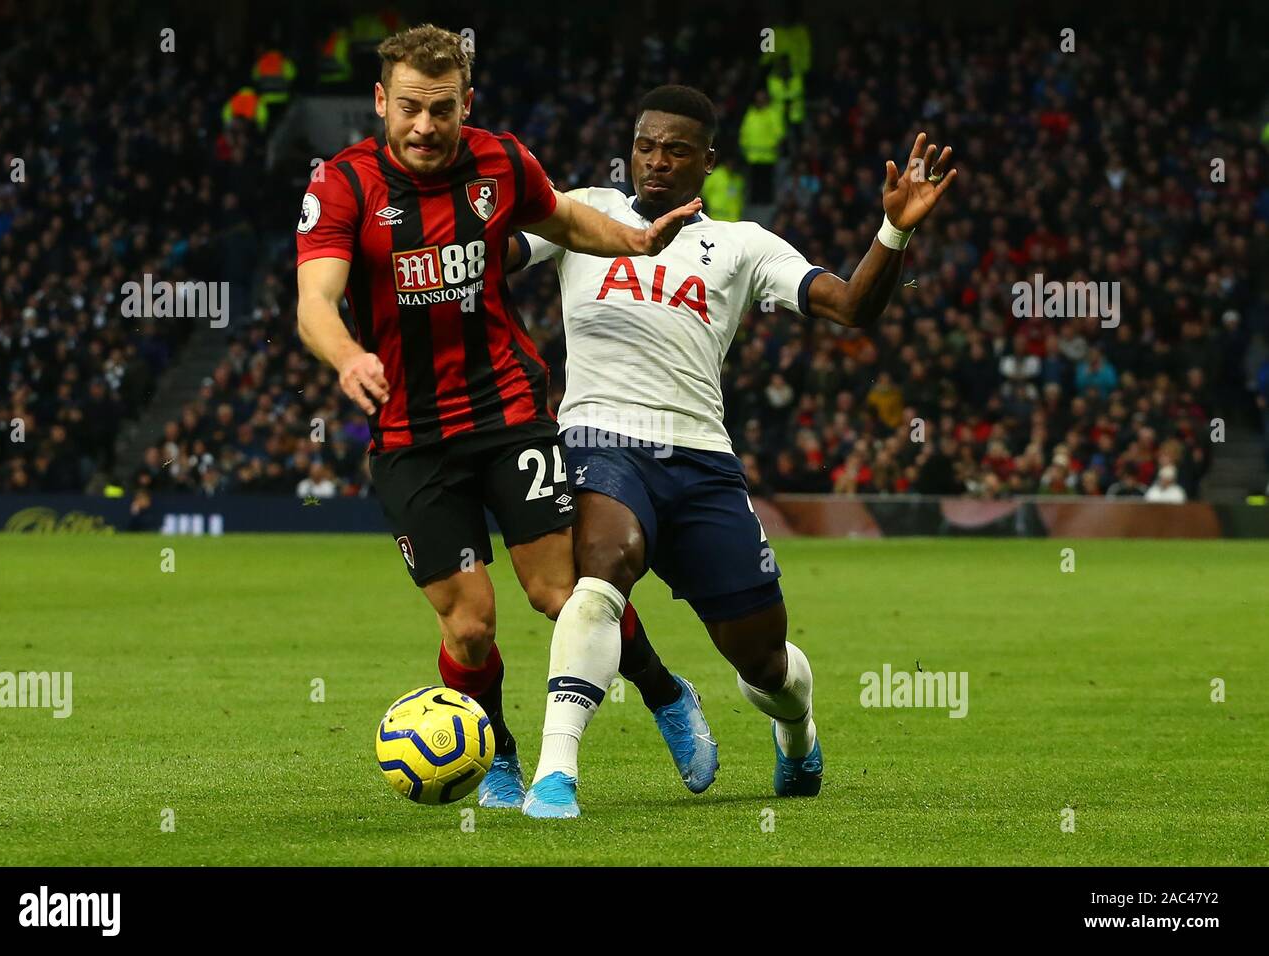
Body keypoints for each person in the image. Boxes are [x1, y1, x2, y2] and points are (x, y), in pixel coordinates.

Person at [507, 84, 957, 816]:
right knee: (600, 575)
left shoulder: (743, 244)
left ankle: (798, 733)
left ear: (708, 161)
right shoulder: (582, 210)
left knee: (763, 661)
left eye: (677, 150)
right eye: (646, 146)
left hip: (702, 462)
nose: (657, 162)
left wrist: (894, 232)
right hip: (597, 438)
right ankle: (556, 774)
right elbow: (492, 253)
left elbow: (849, 306)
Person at [295, 26, 707, 810]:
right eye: (410, 108)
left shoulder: (500, 160)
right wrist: (348, 355)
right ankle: (501, 751)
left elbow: (557, 219)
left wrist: (633, 239)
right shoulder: (344, 186)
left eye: (441, 109)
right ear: (382, 101)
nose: (424, 126)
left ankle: (663, 694)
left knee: (563, 592)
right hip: (410, 436)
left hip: (507, 411)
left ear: (465, 104)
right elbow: (316, 300)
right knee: (472, 626)